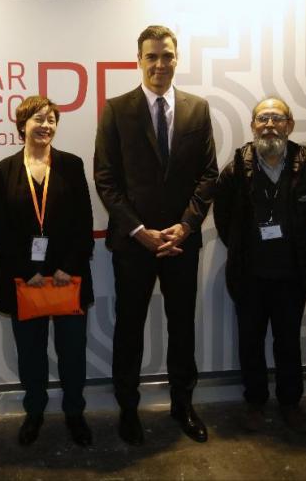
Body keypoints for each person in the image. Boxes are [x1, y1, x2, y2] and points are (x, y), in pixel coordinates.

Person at [94, 25, 218, 445]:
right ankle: (128, 409)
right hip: (134, 243)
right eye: (152, 56)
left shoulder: (197, 109)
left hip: (182, 241)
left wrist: (185, 225)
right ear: (139, 60)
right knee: (129, 327)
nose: (160, 64)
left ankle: (183, 405)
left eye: (167, 56)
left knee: (183, 326)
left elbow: (208, 175)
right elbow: (106, 179)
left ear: (176, 58)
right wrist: (139, 230)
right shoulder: (116, 109)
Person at [214, 97, 306, 435]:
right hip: (249, 275)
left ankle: (290, 403)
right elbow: (223, 218)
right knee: (250, 343)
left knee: (288, 342)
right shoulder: (236, 167)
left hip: (292, 275)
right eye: (262, 118)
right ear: (252, 126)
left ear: (289, 125)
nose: (269, 125)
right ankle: (254, 402)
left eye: (277, 118)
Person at [0, 96, 95, 447]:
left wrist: (68, 266)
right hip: (25, 281)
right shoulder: (2, 171)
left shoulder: (71, 165)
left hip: (69, 277)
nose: (46, 125)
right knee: (31, 354)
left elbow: (84, 222)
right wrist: (26, 270)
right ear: (22, 125)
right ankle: (34, 412)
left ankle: (74, 413)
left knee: (72, 353)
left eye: (51, 119)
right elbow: (1, 231)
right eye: (38, 119)